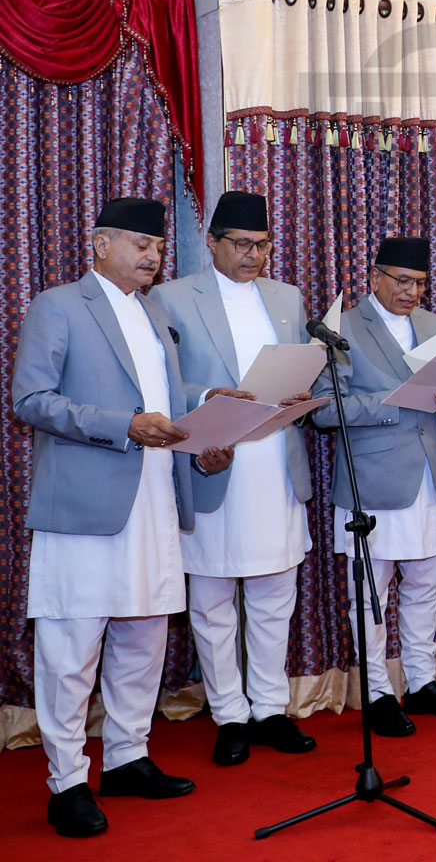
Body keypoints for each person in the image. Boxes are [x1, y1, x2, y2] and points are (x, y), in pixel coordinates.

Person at [12, 197, 235, 838]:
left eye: (158, 247)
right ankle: (66, 782)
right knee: (71, 648)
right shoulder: (58, 305)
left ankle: (128, 757)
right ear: (100, 243)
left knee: (143, 638)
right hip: (85, 504)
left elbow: (161, 396)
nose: (153, 256)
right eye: (141, 244)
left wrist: (208, 404)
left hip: (156, 499)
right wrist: (125, 426)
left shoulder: (153, 311)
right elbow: (31, 399)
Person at [151, 191, 319, 767]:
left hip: (275, 462)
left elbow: (298, 369)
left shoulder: (287, 297)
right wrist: (207, 396)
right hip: (214, 461)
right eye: (242, 244)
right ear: (213, 243)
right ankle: (228, 715)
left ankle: (270, 708)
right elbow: (163, 382)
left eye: (263, 245)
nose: (253, 256)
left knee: (274, 596)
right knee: (213, 599)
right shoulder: (173, 297)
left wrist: (301, 395)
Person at [309, 236, 436, 737]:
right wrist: (397, 400)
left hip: (426, 476)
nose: (412, 292)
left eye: (420, 283)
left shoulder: (433, 325)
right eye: (402, 281)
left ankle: (422, 682)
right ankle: (377, 692)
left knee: (426, 583)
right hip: (372, 480)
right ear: (374, 276)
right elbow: (323, 410)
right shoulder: (342, 327)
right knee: (370, 594)